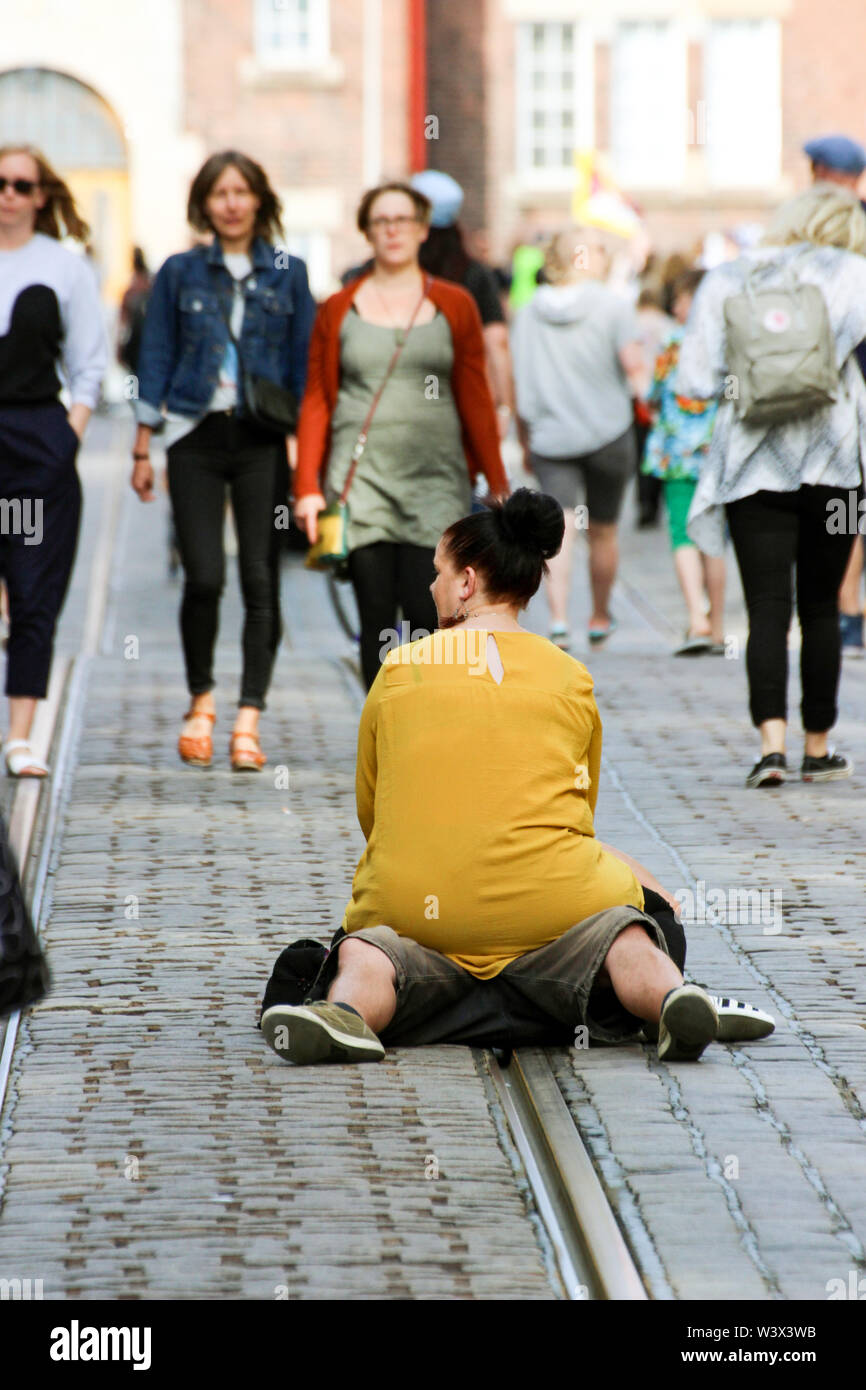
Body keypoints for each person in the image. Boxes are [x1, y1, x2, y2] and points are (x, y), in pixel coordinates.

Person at [260, 490, 773, 1066]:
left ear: (466, 583)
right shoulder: (570, 676)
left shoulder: (400, 667)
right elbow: (576, 816)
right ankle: (669, 999)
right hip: (550, 918)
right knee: (632, 929)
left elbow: (372, 811)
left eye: (437, 573)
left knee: (366, 951)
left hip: (419, 915)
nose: (431, 587)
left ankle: (347, 1015)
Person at [131, 150, 316, 771]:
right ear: (204, 204)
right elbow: (154, 354)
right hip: (194, 435)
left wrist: (304, 456)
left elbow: (303, 368)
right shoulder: (180, 271)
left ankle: (248, 718)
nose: (232, 203)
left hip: (262, 439)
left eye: (241, 191)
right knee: (205, 576)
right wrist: (142, 443)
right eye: (219, 193)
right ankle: (202, 699)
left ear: (259, 199)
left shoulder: (290, 272)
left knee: (261, 579)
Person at [677, 184, 866, 787]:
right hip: (837, 470)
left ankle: (770, 748)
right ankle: (819, 745)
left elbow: (695, 380)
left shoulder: (729, 275)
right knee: (822, 603)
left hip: (751, 462)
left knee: (765, 606)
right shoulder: (856, 274)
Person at [293, 180, 509, 690]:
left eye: (403, 220)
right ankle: (382, 737)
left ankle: (421, 729)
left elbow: (475, 396)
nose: (392, 230)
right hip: (360, 481)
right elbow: (318, 399)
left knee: (425, 613)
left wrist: (497, 481)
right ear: (367, 231)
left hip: (435, 481)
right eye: (380, 221)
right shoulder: (339, 307)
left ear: (421, 229)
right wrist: (305, 487)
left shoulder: (455, 304)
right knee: (374, 616)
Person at [0, 144, 106, 778]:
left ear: (41, 195)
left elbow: (90, 366)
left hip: (36, 448)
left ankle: (20, 735)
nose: (7, 192)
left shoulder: (64, 267)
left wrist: (67, 437)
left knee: (32, 585)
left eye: (21, 183)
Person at [511, 225, 647, 650]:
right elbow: (634, 368)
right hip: (609, 433)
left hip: (551, 434)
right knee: (603, 530)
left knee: (560, 531)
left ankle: (557, 621)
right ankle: (600, 617)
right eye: (602, 251)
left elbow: (519, 380)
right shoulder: (614, 306)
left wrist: (525, 435)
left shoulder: (530, 310)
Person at [803, 135, 866, 658]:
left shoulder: (805, 226)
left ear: (819, 170)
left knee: (844, 497)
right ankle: (845, 608)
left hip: (834, 383)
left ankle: (846, 607)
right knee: (850, 501)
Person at [641, 269, 725, 655]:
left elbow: (654, 393)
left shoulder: (673, 343)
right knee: (713, 538)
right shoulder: (726, 341)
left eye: (682, 298)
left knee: (682, 535)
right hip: (718, 455)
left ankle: (697, 620)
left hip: (677, 455)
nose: (675, 306)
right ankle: (719, 625)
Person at [117, 246, 152, 379]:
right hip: (139, 341)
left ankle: (133, 398)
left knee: (133, 381)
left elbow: (123, 321)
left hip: (137, 340)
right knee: (134, 379)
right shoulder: (148, 282)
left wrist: (120, 348)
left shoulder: (135, 287)